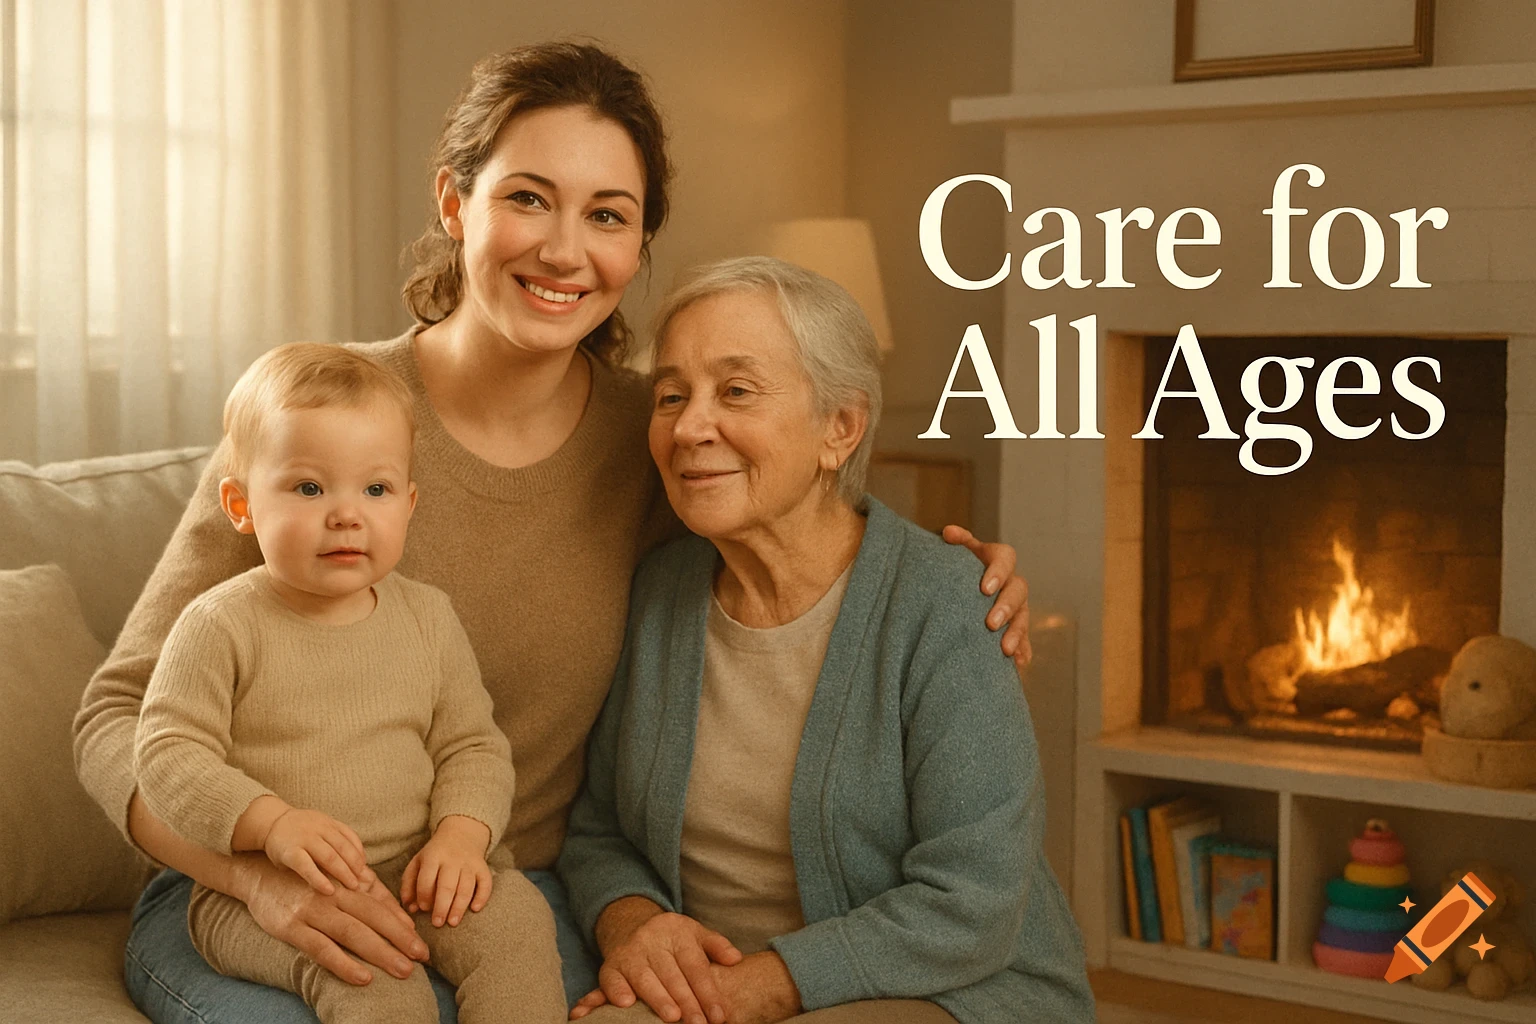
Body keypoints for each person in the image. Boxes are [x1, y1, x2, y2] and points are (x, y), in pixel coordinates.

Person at [71, 42, 1033, 1024]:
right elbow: (115, 717)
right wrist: (254, 877)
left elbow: (803, 514)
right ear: (455, 203)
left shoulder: (659, 436)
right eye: (528, 198)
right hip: (254, 898)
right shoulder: (314, 420)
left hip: (500, 894)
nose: (565, 251)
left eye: (607, 215)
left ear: (638, 243)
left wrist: (963, 578)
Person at [559, 258, 1094, 1024]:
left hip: (945, 989)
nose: (689, 427)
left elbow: (971, 900)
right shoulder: (658, 593)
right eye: (671, 396)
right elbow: (599, 827)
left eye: (736, 391)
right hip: (715, 983)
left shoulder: (944, 605)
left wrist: (757, 989)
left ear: (839, 428)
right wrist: (632, 924)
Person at [135, 343, 565, 1023]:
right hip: (264, 887)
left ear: (409, 503)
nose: (346, 514)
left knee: (517, 926)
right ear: (241, 505)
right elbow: (166, 755)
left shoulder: (427, 617)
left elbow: (472, 746)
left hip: (418, 865)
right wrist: (271, 824)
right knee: (375, 983)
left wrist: (461, 836)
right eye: (309, 488)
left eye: (376, 489)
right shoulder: (219, 624)